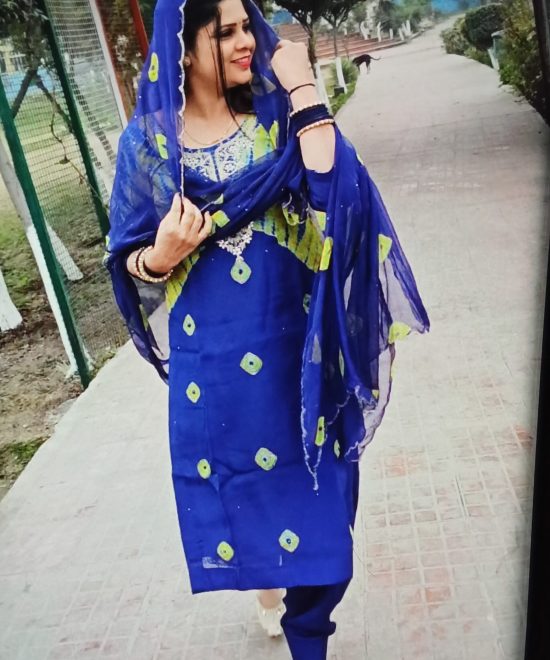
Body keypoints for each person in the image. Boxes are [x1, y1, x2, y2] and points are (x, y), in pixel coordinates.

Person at [106, 1, 430, 658]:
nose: (245, 41)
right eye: (223, 32)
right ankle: (275, 595)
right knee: (260, 518)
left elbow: (334, 190)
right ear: (183, 48)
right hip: (219, 379)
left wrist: (304, 86)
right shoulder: (149, 146)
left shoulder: (277, 117)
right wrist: (160, 257)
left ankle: (305, 626)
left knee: (328, 551)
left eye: (245, 25)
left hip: (299, 363)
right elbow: (126, 254)